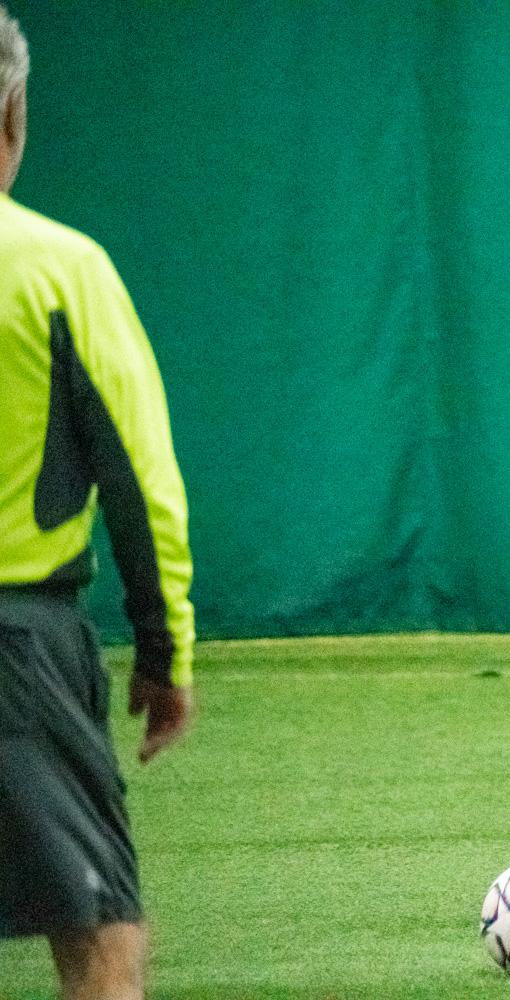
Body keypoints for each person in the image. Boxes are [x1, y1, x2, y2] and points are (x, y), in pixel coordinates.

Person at [0, 8, 196, 998]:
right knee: (98, 931)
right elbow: (139, 480)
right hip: (18, 647)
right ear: (14, 115)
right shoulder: (57, 268)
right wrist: (165, 655)